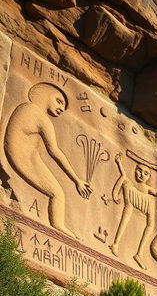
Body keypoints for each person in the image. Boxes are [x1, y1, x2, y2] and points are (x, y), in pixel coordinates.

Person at [4, 82, 92, 237]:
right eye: (59, 101)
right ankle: (58, 226)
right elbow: (55, 152)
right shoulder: (40, 117)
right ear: (44, 93)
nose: (61, 109)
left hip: (27, 156)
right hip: (24, 158)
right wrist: (77, 180)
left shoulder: (24, 107)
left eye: (64, 108)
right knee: (58, 193)